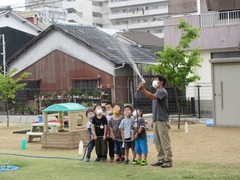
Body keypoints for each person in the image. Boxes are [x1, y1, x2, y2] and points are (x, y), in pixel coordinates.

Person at [138, 75, 173, 168]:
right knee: (157, 142)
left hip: (162, 121)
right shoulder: (157, 92)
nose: (154, 81)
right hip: (157, 120)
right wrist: (153, 120)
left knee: (164, 141)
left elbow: (152, 97)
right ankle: (161, 159)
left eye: (156, 79)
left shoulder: (162, 92)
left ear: (161, 82)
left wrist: (143, 89)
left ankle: (168, 160)